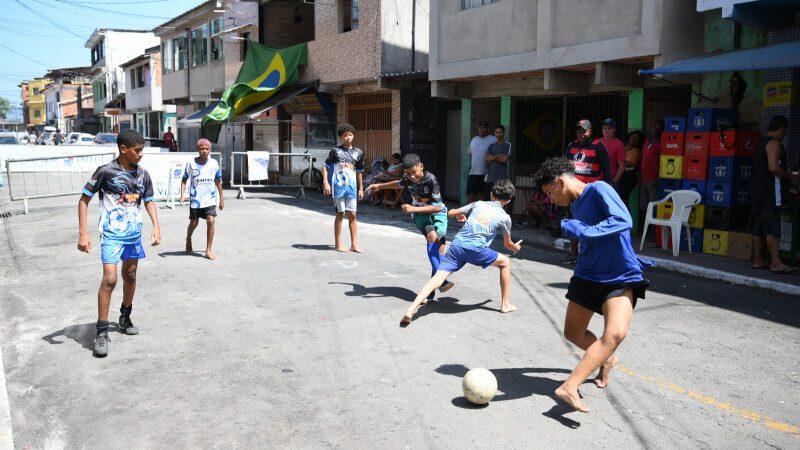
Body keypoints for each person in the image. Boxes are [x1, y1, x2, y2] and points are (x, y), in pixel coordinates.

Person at [533, 156, 651, 413]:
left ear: (561, 182)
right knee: (573, 333)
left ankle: (570, 385)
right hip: (587, 275)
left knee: (615, 334)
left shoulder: (599, 189)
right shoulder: (574, 206)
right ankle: (606, 358)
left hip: (619, 275)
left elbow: (623, 221)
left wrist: (580, 229)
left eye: (550, 192)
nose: (551, 199)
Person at [77, 129, 161, 358]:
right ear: (124, 149)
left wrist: (156, 226)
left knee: (131, 275)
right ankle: (102, 332)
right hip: (112, 235)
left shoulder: (143, 174)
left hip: (133, 235)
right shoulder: (105, 172)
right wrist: (83, 234)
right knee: (110, 280)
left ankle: (125, 316)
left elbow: (149, 201)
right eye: (138, 150)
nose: (141, 154)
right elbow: (84, 200)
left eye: (142, 150)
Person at [399, 179, 522, 326]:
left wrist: (460, 215)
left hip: (457, 245)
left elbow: (450, 212)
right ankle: (505, 304)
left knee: (437, 279)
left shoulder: (478, 204)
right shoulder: (505, 217)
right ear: (508, 201)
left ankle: (411, 309)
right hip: (476, 249)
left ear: (491, 195)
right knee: (505, 263)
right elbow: (507, 244)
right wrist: (515, 247)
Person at [368, 153, 454, 302]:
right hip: (420, 214)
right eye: (408, 174)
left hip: (436, 211)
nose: (412, 177)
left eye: (414, 173)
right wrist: (379, 186)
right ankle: (442, 281)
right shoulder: (407, 179)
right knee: (432, 237)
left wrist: (413, 209)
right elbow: (397, 183)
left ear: (421, 167)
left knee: (439, 250)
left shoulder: (431, 180)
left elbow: (438, 208)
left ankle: (430, 291)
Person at [751, 115, 799, 274]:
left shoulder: (761, 144)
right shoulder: (774, 144)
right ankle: (776, 263)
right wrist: (790, 176)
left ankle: (758, 260)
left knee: (758, 228)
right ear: (782, 128)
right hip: (771, 192)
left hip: (757, 192)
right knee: (773, 228)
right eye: (785, 130)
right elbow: (773, 167)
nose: (785, 133)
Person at [562, 119, 612, 264]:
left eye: (584, 131)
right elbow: (564, 168)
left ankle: (590, 254)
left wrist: (607, 191)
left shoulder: (598, 147)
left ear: (590, 131)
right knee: (572, 222)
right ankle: (573, 253)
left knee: (590, 224)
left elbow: (607, 172)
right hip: (572, 193)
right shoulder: (571, 146)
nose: (581, 134)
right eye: (579, 131)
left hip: (590, 193)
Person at [322, 123, 365, 253]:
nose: (348, 137)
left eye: (350, 135)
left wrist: (361, 188)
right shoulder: (335, 151)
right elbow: (325, 166)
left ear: (353, 136)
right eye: (345, 135)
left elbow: (359, 172)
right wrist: (326, 182)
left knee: (352, 214)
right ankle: (338, 243)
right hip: (339, 187)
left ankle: (354, 244)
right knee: (340, 214)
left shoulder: (358, 153)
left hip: (352, 188)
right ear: (341, 137)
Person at [180, 138, 224, 260]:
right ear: (198, 150)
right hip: (196, 199)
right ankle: (188, 238)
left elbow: (218, 181)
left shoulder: (214, 163)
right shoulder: (191, 163)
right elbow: (184, 179)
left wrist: (221, 198)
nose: (204, 151)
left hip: (210, 199)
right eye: (202, 149)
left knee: (211, 221)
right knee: (194, 223)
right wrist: (182, 194)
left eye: (207, 149)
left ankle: (208, 250)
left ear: (210, 149)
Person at [639, 120, 663, 233]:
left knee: (653, 207)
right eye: (654, 127)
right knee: (644, 207)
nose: (655, 130)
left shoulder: (661, 144)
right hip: (644, 179)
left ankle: (653, 234)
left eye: (658, 128)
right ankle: (645, 232)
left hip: (654, 180)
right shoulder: (647, 141)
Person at [467, 121, 496, 202]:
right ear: (478, 129)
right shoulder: (474, 139)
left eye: (484, 128)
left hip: (486, 173)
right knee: (470, 193)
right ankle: (470, 213)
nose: (482, 129)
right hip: (473, 173)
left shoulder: (493, 139)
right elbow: (470, 153)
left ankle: (481, 213)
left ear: (488, 129)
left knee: (483, 195)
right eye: (480, 128)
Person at [617, 130, 645, 210]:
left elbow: (629, 163)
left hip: (628, 176)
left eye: (636, 138)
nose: (633, 139)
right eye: (633, 136)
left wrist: (616, 160)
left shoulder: (635, 151)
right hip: (623, 175)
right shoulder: (626, 148)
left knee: (623, 200)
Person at [484, 124, 511, 201]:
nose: (498, 134)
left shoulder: (507, 145)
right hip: (490, 180)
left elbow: (504, 159)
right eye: (496, 132)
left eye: (500, 132)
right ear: (494, 133)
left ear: (503, 133)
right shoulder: (491, 146)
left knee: (500, 202)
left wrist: (492, 156)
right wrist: (498, 155)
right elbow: (486, 158)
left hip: (501, 180)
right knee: (488, 202)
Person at [597, 118, 626, 189]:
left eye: (609, 128)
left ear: (614, 129)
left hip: (610, 182)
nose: (606, 130)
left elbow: (622, 166)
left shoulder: (619, 144)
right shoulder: (596, 142)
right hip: (596, 181)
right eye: (604, 128)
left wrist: (614, 181)